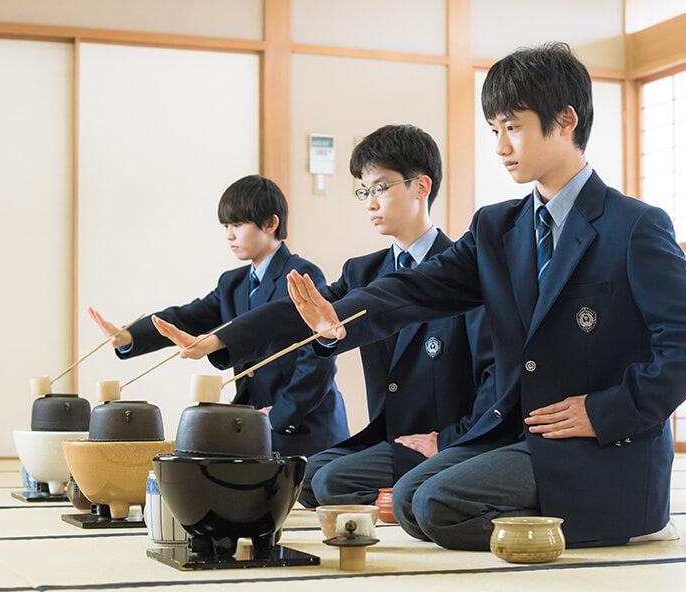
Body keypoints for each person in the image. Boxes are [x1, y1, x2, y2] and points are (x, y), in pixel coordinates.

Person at [283, 42, 686, 549]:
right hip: (515, 434)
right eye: (494, 130)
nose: (500, 146)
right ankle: (551, 521)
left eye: (512, 126)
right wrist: (339, 318)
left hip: (597, 445)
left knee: (433, 504)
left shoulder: (633, 226)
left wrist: (608, 409)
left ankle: (618, 517)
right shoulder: (497, 227)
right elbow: (419, 287)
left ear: (565, 119)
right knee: (409, 499)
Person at [152, 125, 502, 508]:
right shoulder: (362, 272)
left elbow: (493, 375)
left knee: (333, 482)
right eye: (364, 191)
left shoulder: (463, 273)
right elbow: (296, 313)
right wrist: (218, 340)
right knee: (305, 479)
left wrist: (449, 440)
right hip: (387, 436)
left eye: (380, 188)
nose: (370, 203)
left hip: (442, 440)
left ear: (421, 187)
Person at [89, 174, 349, 457]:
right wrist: (128, 337)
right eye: (226, 226)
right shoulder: (232, 283)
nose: (229, 235)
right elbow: (189, 317)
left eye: (237, 224)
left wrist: (276, 417)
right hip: (254, 424)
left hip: (304, 427)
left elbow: (317, 360)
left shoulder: (302, 275)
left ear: (271, 224)